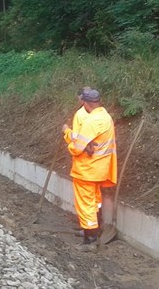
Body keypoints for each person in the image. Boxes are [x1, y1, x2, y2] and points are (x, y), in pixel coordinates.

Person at [62, 89, 117, 250]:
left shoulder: (91, 121)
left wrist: (67, 136)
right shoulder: (106, 117)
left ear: (85, 102)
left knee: (85, 205)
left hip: (86, 170)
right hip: (100, 169)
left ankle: (90, 240)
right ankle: (95, 228)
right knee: (95, 202)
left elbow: (77, 147)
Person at [63, 86, 103, 229]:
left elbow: (77, 140)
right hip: (98, 166)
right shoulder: (102, 116)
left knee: (86, 201)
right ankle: (94, 223)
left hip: (86, 167)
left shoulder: (81, 115)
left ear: (83, 100)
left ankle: (90, 230)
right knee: (94, 198)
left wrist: (67, 132)